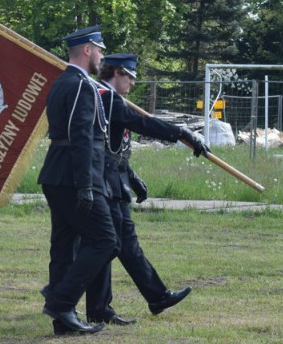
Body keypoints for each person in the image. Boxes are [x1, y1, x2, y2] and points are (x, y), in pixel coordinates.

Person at [81, 53, 209, 327]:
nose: (132, 83)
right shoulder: (105, 96)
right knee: (111, 245)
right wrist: (181, 133)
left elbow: (115, 147)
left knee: (122, 244)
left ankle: (147, 298)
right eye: (129, 76)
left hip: (114, 183)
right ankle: (91, 305)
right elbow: (140, 124)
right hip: (103, 184)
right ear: (116, 72)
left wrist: (132, 176)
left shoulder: (112, 99)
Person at [37, 26, 119, 335]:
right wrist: (87, 184)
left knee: (64, 246)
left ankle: (64, 321)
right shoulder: (81, 86)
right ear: (86, 50)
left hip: (57, 174)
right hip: (74, 176)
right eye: (99, 49)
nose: (101, 55)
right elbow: (82, 137)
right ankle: (60, 301)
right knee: (105, 239)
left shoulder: (63, 82)